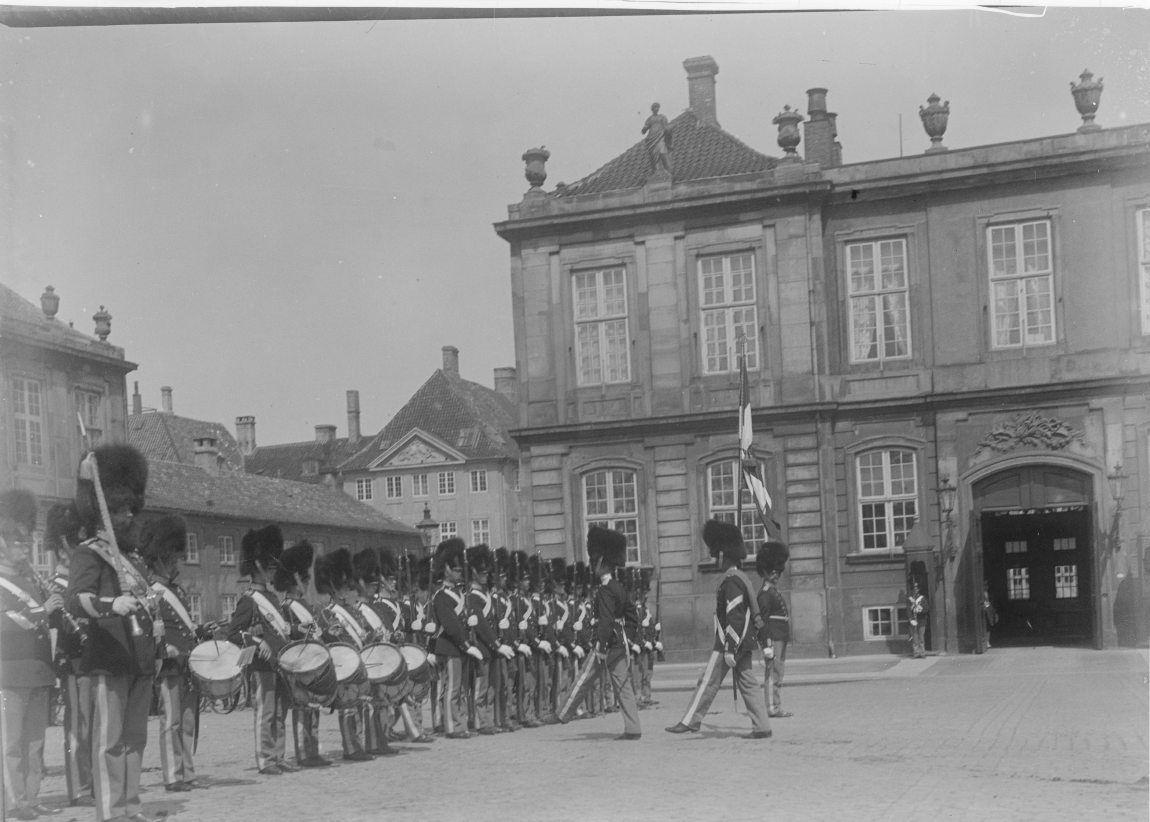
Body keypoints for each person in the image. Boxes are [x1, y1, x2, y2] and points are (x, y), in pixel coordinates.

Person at [67, 443, 159, 822]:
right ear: (104, 514)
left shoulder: (133, 560)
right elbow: (76, 600)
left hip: (138, 656)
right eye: (120, 510)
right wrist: (110, 605)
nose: (127, 516)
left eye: (130, 510)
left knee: (135, 739)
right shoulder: (89, 553)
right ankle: (110, 811)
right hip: (108, 655)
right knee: (110, 741)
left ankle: (130, 806)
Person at [665, 519, 772, 739]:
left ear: (723, 556)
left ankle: (690, 720)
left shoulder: (731, 581)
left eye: (716, 556)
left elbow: (735, 617)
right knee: (748, 681)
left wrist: (730, 647)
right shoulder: (742, 578)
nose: (715, 560)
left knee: (707, 680)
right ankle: (762, 726)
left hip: (728, 642)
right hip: (745, 641)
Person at [1, 488, 64, 820]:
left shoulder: (32, 580)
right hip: (9, 672)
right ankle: (11, 802)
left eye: (26, 543)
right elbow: (5, 622)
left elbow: (45, 618)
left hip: (39, 670)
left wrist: (56, 607)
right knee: (11, 744)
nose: (24, 550)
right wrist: (42, 611)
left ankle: (30, 797)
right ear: (2, 543)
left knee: (35, 742)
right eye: (18, 544)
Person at [558, 526, 642, 741]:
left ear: (601, 562)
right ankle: (633, 728)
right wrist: (628, 637)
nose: (592, 565)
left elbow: (604, 621)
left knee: (583, 679)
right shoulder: (619, 588)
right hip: (620, 644)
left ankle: (562, 714)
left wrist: (601, 646)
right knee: (624, 686)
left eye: (594, 561)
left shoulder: (605, 590)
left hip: (606, 645)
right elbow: (633, 617)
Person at [140, 515, 202, 793]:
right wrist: (165, 649)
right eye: (173, 559)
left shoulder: (176, 591)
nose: (177, 563)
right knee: (171, 721)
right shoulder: (152, 593)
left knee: (187, 722)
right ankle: (172, 776)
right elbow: (149, 633)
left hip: (187, 664)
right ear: (161, 558)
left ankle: (187, 772)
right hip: (168, 665)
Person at [226, 524, 294, 775]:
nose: (273, 571)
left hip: (280, 664)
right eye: (269, 566)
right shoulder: (248, 600)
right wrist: (258, 643)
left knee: (280, 713)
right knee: (265, 713)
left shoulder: (274, 599)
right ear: (258, 565)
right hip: (262, 666)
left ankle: (278, 755)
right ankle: (265, 758)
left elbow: (280, 631)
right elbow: (234, 633)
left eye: (274, 567)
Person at [43, 501, 94, 808]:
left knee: (92, 725)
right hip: (73, 661)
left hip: (91, 660)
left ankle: (90, 782)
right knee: (78, 727)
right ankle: (79, 788)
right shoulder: (56, 585)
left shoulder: (81, 581)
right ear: (65, 545)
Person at [271, 539, 332, 768]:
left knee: (312, 708)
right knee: (301, 709)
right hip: (297, 665)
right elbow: (285, 634)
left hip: (312, 663)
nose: (307, 583)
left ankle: (312, 750)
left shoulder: (307, 606)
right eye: (304, 579)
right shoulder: (285, 607)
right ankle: (303, 753)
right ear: (295, 580)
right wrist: (299, 630)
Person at [314, 548, 373, 761]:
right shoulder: (324, 612)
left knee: (361, 704)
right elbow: (321, 638)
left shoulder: (355, 610)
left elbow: (367, 633)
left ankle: (359, 744)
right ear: (332, 588)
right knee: (348, 706)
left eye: (345, 586)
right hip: (343, 665)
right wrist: (329, 634)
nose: (345, 591)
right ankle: (351, 748)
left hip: (360, 661)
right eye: (341, 587)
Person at [430, 538, 485, 739]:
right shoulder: (441, 596)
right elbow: (451, 625)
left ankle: (460, 723)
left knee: (461, 689)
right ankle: (452, 727)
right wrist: (465, 644)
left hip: (461, 647)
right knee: (452, 689)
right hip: (451, 646)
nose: (459, 573)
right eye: (455, 570)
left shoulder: (461, 593)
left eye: (460, 570)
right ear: (446, 570)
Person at [755, 539, 792, 718]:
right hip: (773, 638)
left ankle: (776, 706)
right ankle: (771, 707)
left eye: (778, 571)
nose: (776, 574)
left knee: (779, 673)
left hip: (781, 636)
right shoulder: (764, 594)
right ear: (764, 571)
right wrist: (766, 645)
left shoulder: (773, 591)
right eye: (772, 571)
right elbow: (762, 622)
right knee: (772, 674)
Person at [641, 102, 672, 174]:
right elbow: (645, 129)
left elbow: (666, 126)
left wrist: (668, 130)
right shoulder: (649, 119)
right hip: (651, 138)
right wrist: (644, 129)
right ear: (652, 109)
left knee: (662, 151)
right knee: (654, 154)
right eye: (655, 107)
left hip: (660, 136)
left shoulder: (662, 117)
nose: (656, 109)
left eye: (657, 107)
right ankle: (656, 170)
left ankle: (666, 169)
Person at [908, 579, 928, 659]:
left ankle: (922, 653)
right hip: (913, 620)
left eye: (917, 588)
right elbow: (908, 610)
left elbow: (926, 609)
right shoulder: (910, 599)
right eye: (914, 588)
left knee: (921, 637)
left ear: (919, 589)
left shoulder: (922, 599)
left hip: (921, 620)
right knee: (915, 638)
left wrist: (920, 610)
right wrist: (911, 619)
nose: (915, 590)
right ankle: (916, 653)